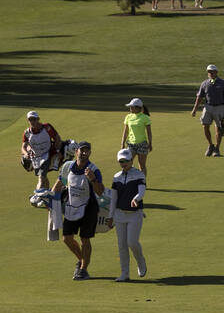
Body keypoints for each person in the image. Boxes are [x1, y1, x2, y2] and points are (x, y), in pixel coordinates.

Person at [52, 141, 104, 280]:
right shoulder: (67, 166)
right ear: (76, 152)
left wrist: (93, 179)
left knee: (84, 239)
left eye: (87, 151)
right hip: (71, 206)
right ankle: (82, 260)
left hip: (89, 208)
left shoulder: (94, 170)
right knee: (67, 238)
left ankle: (83, 269)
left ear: (90, 153)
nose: (84, 153)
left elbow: (100, 192)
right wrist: (50, 199)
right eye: (82, 150)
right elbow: (58, 185)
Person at [106, 148, 147, 281]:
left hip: (135, 214)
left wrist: (136, 199)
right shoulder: (116, 177)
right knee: (122, 245)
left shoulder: (139, 174)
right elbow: (114, 199)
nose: (123, 163)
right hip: (119, 215)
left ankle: (140, 261)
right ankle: (125, 273)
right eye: (121, 161)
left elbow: (141, 191)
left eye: (125, 161)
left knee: (132, 242)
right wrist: (110, 216)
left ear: (131, 160)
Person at [191, 64, 224, 156]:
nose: (210, 73)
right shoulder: (204, 83)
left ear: (216, 72)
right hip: (208, 107)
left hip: (219, 107)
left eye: (212, 72)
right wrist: (194, 109)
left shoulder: (223, 83)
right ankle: (210, 145)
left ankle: (217, 149)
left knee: (219, 129)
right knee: (205, 126)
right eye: (209, 72)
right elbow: (199, 97)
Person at [20, 110, 61, 191]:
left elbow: (57, 137)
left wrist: (57, 151)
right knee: (43, 177)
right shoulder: (27, 133)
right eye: (30, 119)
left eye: (34, 119)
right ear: (28, 121)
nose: (32, 121)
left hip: (47, 155)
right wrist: (25, 154)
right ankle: (47, 195)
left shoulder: (47, 127)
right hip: (36, 158)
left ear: (38, 119)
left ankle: (37, 194)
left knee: (41, 177)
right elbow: (23, 147)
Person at [120, 97, 153, 179]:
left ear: (137, 108)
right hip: (131, 144)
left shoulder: (145, 118)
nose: (130, 108)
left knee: (142, 165)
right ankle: (127, 181)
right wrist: (122, 143)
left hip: (142, 144)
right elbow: (126, 131)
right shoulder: (128, 117)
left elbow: (149, 132)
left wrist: (150, 143)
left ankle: (143, 182)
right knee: (127, 164)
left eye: (132, 107)